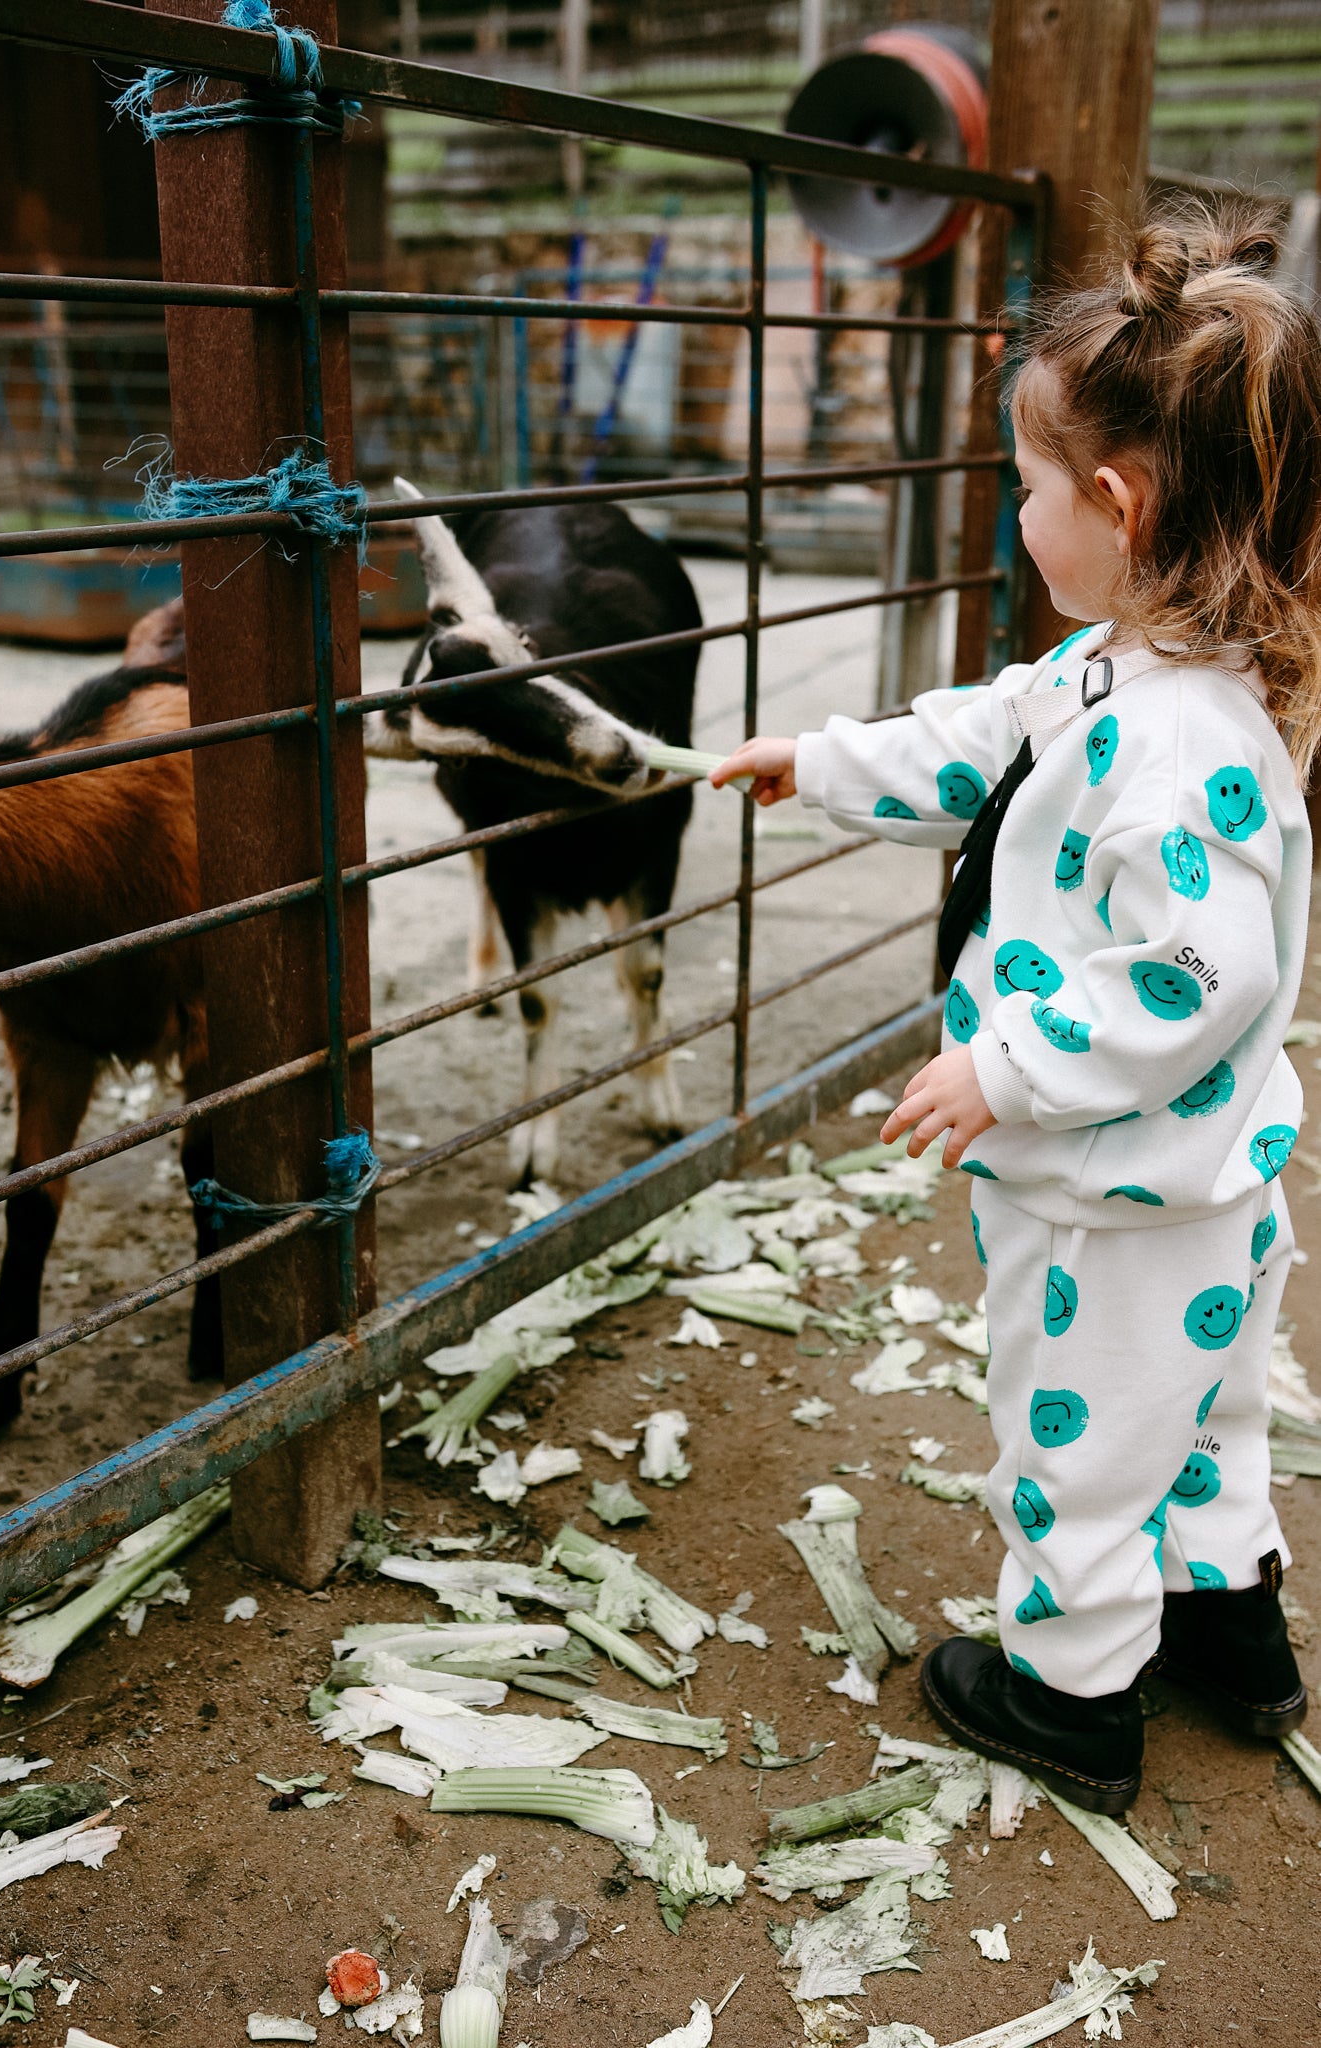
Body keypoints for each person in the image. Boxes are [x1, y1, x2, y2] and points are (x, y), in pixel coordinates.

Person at [713, 205, 1321, 1814]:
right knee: (1195, 1430)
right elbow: (988, 740)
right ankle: (1226, 1636)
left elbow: (1194, 980)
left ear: (1112, 504)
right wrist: (827, 762)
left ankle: (1065, 1696)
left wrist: (1007, 1066)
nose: (1015, 511)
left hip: (1109, 1201)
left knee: (1074, 1455)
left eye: (1027, 486)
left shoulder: (1175, 738)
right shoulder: (1128, 667)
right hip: (1201, 1193)